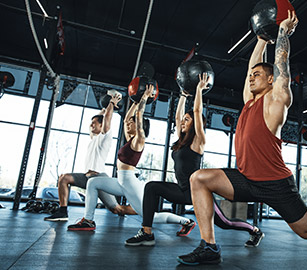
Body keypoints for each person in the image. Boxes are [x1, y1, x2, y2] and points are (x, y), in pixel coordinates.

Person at [177, 11, 307, 269]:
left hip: (276, 184)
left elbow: (282, 63)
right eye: (250, 76)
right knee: (198, 179)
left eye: (257, 75)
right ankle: (209, 246)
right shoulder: (249, 102)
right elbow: (252, 66)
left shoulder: (276, 101)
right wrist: (261, 38)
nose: (251, 78)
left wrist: (282, 33)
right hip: (246, 178)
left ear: (271, 80)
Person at [125, 73, 264, 247]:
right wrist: (183, 96)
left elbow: (197, 112)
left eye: (187, 120)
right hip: (183, 191)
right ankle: (146, 232)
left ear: (195, 124)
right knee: (152, 187)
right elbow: (177, 117)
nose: (183, 122)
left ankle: (255, 231)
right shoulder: (180, 142)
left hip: (200, 193)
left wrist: (198, 90)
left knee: (225, 223)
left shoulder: (198, 141)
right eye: (184, 120)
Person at [67, 85, 189, 231]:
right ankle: (88, 220)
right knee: (93, 183)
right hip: (121, 182)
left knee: (150, 217)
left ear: (139, 127)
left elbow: (137, 117)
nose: (129, 123)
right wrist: (135, 102)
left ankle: (186, 221)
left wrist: (144, 97)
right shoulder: (130, 139)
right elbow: (126, 120)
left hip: (130, 184)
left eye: (133, 123)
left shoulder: (139, 140)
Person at [44, 93, 132, 221]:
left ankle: (144, 212)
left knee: (116, 209)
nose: (91, 126)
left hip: (99, 178)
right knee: (64, 178)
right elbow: (100, 120)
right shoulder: (94, 139)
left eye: (94, 123)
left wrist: (111, 104)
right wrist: (101, 111)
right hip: (87, 177)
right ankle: (63, 212)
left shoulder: (105, 137)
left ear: (102, 126)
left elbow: (107, 120)